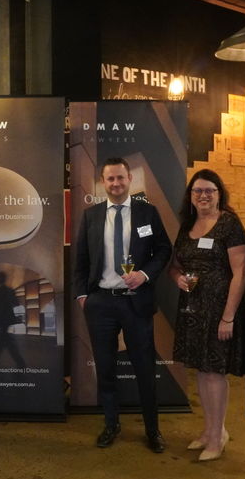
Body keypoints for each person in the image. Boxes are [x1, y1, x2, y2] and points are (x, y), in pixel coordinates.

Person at [72, 157, 172, 453]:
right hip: (101, 303)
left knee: (144, 368)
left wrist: (144, 274)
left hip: (136, 303)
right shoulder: (91, 216)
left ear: (130, 179)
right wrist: (82, 296)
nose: (116, 184)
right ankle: (111, 424)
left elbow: (164, 249)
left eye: (120, 178)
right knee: (105, 368)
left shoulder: (147, 213)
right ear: (103, 183)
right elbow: (81, 261)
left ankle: (152, 430)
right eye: (110, 179)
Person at [168, 169, 245, 462]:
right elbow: (175, 265)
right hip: (192, 309)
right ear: (191, 196)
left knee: (215, 372)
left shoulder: (228, 223)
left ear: (219, 194)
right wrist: (177, 278)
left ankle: (218, 436)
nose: (203, 196)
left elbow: (241, 272)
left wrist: (228, 316)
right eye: (198, 191)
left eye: (209, 191)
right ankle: (209, 430)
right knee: (201, 371)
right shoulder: (188, 224)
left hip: (219, 310)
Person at [0, 271, 24, 368]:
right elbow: (16, 303)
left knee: (3, 341)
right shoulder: (9, 290)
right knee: (5, 340)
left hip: (1, 319)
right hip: (8, 319)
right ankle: (20, 362)